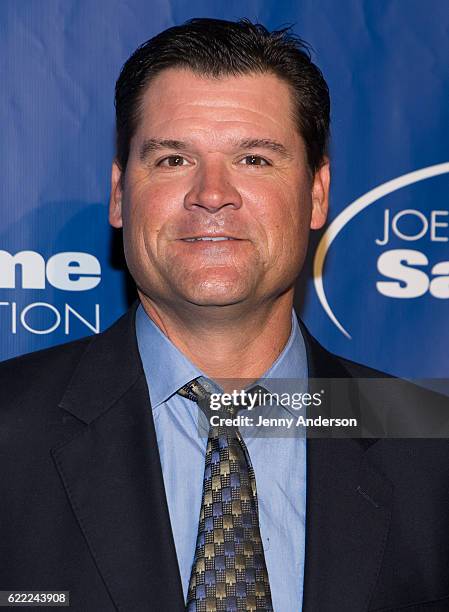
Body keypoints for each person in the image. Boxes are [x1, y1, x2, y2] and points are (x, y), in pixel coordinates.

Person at [1, 18, 449, 612]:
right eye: (173, 159)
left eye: (255, 159)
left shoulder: (432, 451)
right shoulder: (9, 434)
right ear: (119, 194)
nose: (212, 193)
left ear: (317, 195)